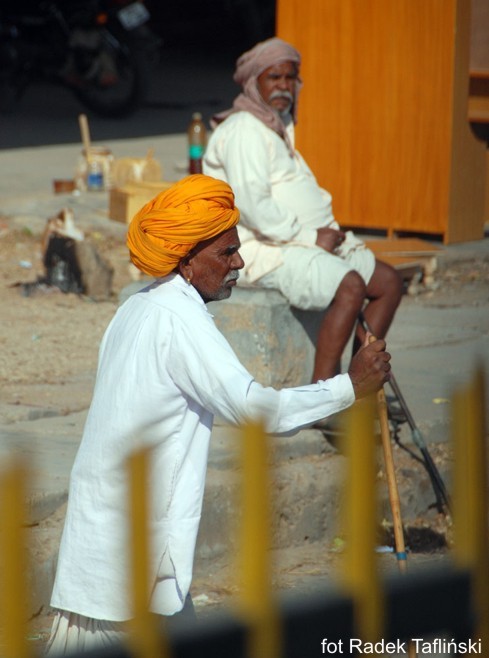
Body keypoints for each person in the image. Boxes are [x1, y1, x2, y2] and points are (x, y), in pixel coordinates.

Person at [46, 174, 391, 654]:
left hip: (117, 527)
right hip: (127, 537)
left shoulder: (138, 307)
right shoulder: (178, 320)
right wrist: (348, 387)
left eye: (237, 250)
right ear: (187, 261)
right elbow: (257, 410)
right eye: (226, 254)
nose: (240, 263)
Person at [203, 37, 403, 384]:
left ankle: (362, 375)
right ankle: (327, 391)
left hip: (303, 241)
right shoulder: (243, 130)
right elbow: (253, 207)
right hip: (267, 250)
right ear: (255, 82)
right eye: (274, 77)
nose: (284, 86)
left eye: (289, 78)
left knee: (388, 283)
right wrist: (310, 237)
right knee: (351, 286)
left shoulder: (276, 124)